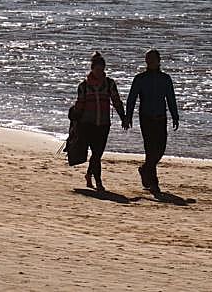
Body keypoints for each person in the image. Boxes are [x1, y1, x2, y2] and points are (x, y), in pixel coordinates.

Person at [124, 49, 179, 194]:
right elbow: (131, 99)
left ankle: (144, 169)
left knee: (160, 149)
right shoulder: (140, 79)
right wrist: (127, 116)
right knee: (150, 150)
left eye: (153, 59)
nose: (150, 62)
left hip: (161, 118)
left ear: (158, 61)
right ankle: (154, 183)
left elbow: (171, 98)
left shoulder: (165, 79)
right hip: (146, 118)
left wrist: (175, 116)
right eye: (148, 59)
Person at [71, 51, 127, 193]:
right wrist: (74, 120)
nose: (99, 71)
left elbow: (116, 101)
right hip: (87, 124)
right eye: (97, 69)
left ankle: (89, 174)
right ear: (92, 68)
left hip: (104, 124)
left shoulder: (109, 84)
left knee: (97, 153)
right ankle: (98, 181)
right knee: (95, 154)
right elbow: (80, 104)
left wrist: (123, 117)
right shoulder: (83, 86)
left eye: (102, 69)